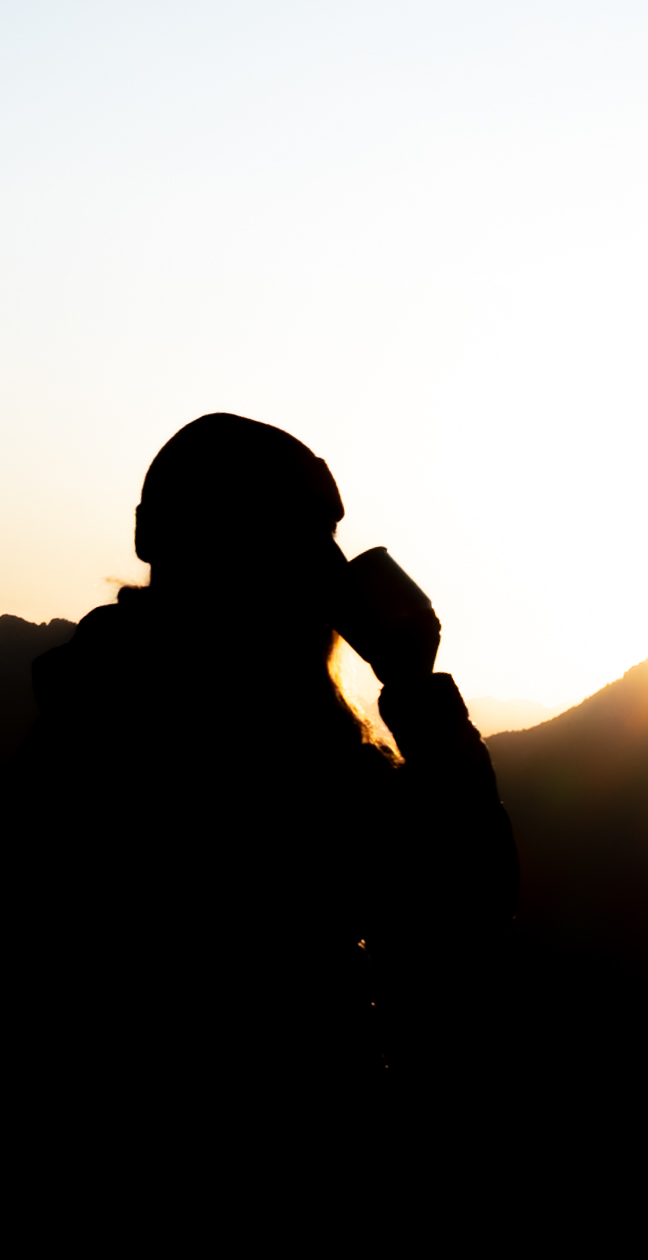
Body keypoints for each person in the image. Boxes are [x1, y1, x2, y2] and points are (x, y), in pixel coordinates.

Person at [10, 413, 517, 1115]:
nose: (331, 574)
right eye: (306, 539)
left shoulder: (89, 711)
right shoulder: (271, 749)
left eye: (327, 542)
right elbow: (467, 900)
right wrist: (414, 684)